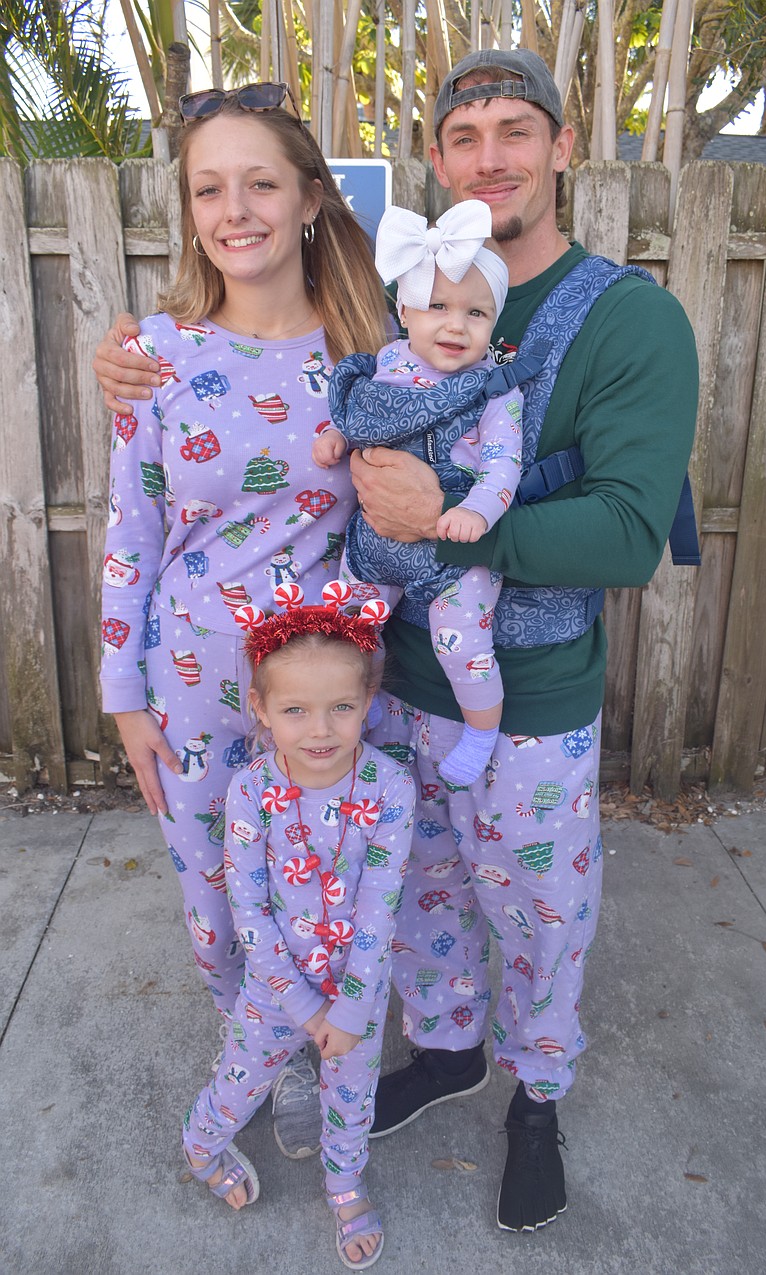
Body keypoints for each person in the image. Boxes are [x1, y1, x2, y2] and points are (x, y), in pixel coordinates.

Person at [95, 50, 699, 1235]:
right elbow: (171, 466)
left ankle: (537, 1097)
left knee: (532, 908)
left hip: (507, 685)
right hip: (360, 693)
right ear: (435, 164)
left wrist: (452, 522)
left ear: (562, 147)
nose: (491, 156)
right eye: (465, 135)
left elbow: (630, 531)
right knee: (406, 898)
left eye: (516, 131)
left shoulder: (615, 317)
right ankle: (439, 1050)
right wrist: (129, 364)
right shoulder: (375, 319)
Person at [97, 81, 389, 1165]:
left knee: (325, 891)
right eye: (208, 188)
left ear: (311, 197)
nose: (236, 209)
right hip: (188, 686)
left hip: (325, 702)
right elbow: (133, 534)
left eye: (260, 181)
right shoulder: (160, 354)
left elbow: (408, 526)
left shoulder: (374, 358)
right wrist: (123, 696)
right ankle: (252, 1044)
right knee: (217, 893)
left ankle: (318, 1048)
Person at [182, 594, 414, 1269]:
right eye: (294, 710)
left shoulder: (391, 788)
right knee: (239, 1079)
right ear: (258, 707)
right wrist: (305, 1006)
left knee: (351, 1095)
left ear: (370, 697)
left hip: (356, 993)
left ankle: (344, 1182)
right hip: (274, 990)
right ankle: (201, 1143)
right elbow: (248, 912)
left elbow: (380, 907)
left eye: (341, 705)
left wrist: (347, 1007)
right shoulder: (251, 790)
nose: (320, 729)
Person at [315, 199, 523, 785]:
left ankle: (482, 729)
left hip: (454, 550)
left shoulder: (495, 391)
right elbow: (367, 418)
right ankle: (367, 697)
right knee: (350, 625)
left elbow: (504, 466)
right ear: (405, 310)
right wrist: (336, 435)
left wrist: (477, 513)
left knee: (462, 638)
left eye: (476, 314)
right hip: (377, 542)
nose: (456, 325)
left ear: (493, 323)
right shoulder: (385, 366)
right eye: (438, 307)